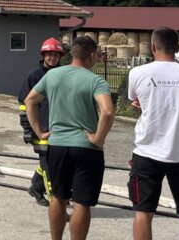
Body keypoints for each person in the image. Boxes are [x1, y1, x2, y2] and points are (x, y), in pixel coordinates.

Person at [25, 35, 114, 240]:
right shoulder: (95, 80)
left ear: (71, 54)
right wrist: (98, 138)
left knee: (57, 197)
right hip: (86, 148)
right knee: (82, 202)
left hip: (57, 145)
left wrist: (39, 132)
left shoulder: (52, 75)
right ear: (91, 56)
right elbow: (108, 112)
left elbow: (30, 101)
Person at [126, 27, 179, 240]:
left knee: (143, 213)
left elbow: (137, 103)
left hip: (147, 151)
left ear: (152, 46)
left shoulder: (137, 73)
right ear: (178, 47)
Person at [18, 37, 65, 207]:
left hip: (58, 128)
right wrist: (27, 129)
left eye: (55, 55)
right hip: (40, 129)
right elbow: (24, 104)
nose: (52, 58)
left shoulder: (63, 74)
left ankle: (36, 188)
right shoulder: (34, 75)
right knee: (49, 167)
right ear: (43, 55)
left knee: (49, 163)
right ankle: (55, 200)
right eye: (49, 54)